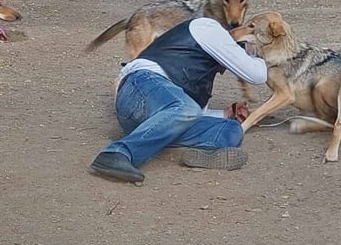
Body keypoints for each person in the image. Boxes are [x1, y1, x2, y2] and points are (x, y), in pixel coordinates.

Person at [89, 16, 267, 183]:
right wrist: (258, 53)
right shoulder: (208, 28)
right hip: (139, 86)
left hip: (152, 120)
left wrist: (225, 114)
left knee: (231, 129)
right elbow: (257, 75)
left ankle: (185, 152)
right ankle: (116, 153)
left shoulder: (201, 69)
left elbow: (193, 113)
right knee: (186, 108)